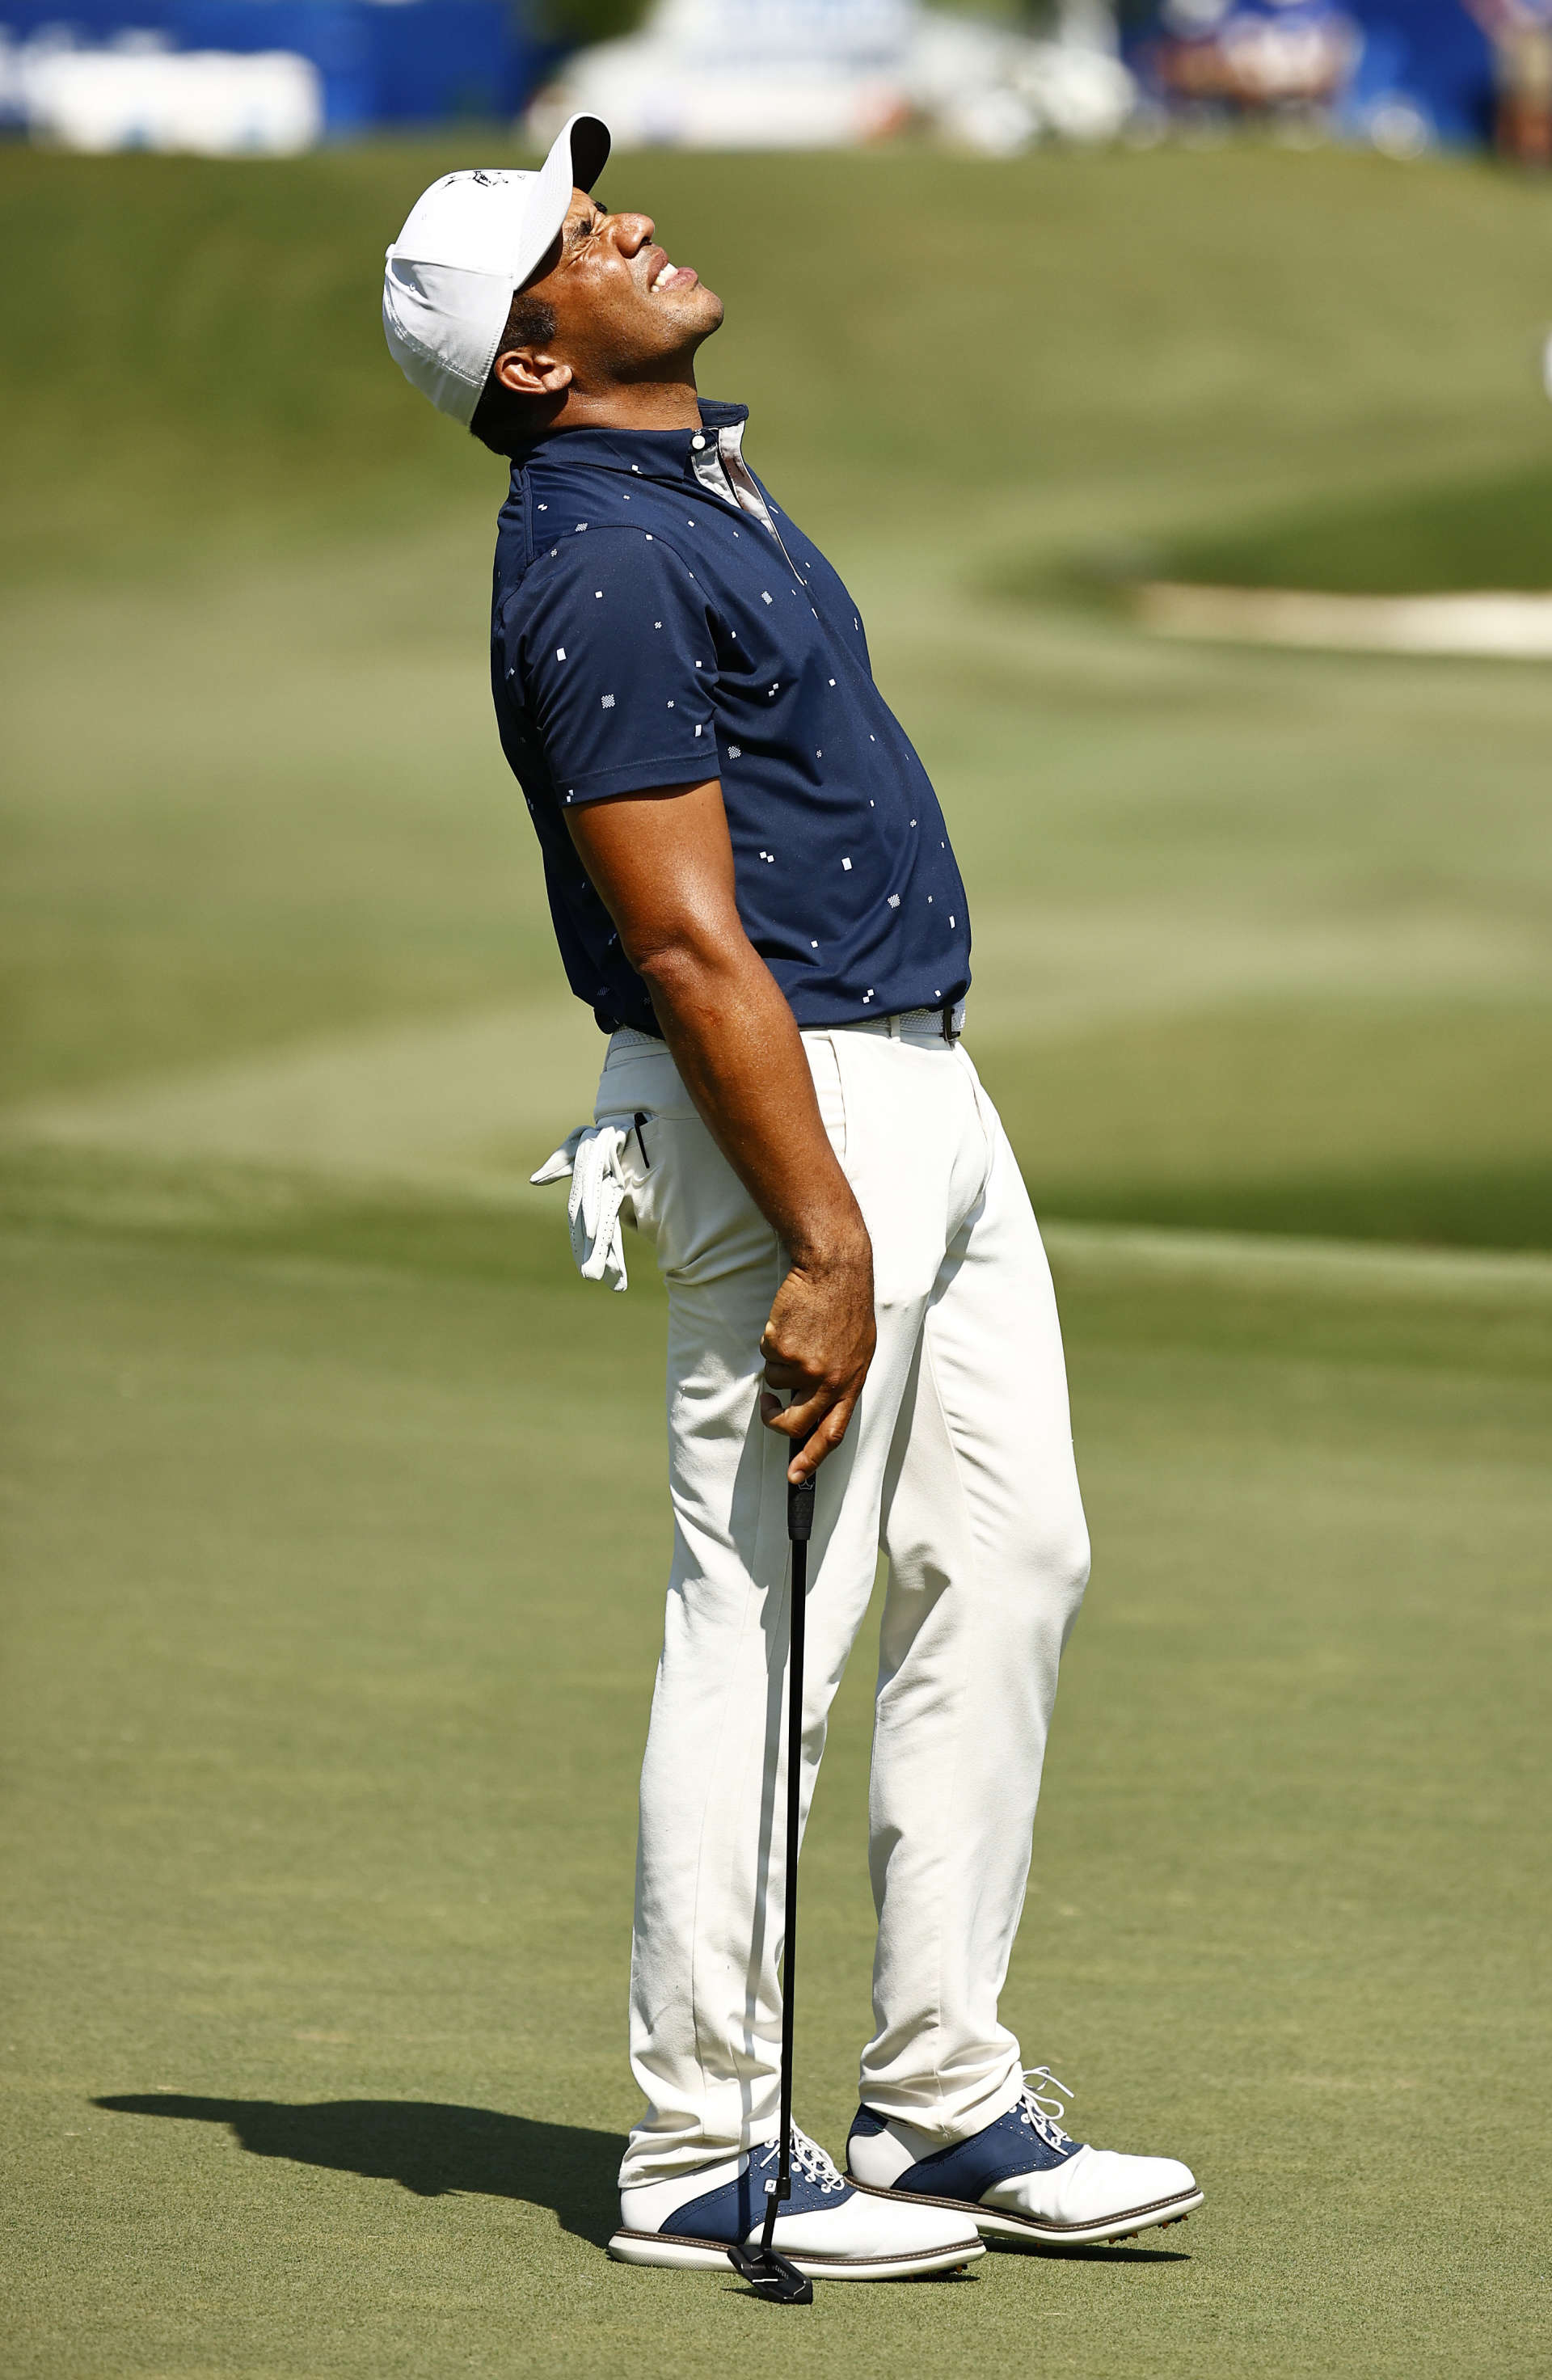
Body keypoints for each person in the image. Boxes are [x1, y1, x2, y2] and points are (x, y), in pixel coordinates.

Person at [382, 114, 1203, 2284]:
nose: (630, 224)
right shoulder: (600, 553)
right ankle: (700, 2152)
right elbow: (679, 940)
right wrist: (824, 1227)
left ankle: (938, 2100)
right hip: (795, 1112)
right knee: (763, 1624)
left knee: (1015, 1552)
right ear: (534, 360)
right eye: (580, 239)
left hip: (919, 1077)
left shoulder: (687, 479)